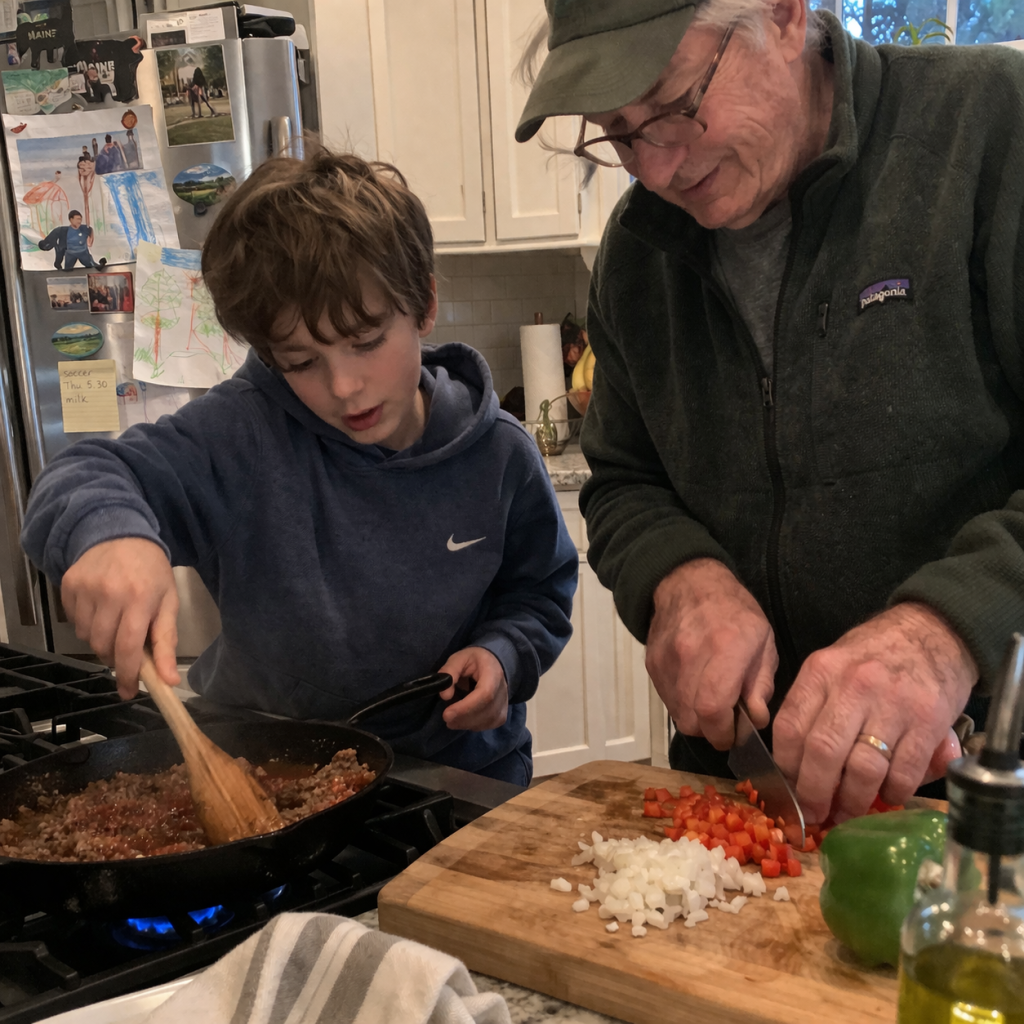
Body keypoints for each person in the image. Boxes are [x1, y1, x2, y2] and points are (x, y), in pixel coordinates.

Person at [515, 0, 1024, 822]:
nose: (652, 167)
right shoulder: (639, 253)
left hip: (993, 802)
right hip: (744, 799)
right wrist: (680, 577)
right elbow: (623, 481)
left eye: (674, 106)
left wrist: (946, 633)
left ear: (786, 15)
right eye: (615, 131)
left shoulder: (994, 127)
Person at [20, 148, 578, 786]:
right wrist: (111, 532)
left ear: (423, 306)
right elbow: (83, 473)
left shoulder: (499, 453)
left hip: (461, 772)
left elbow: (540, 593)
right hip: (267, 768)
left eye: (366, 342)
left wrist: (505, 653)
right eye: (300, 360)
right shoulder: (243, 431)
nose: (344, 387)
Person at [40, 210, 106, 270]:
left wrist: (90, 240)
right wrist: (46, 244)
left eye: (80, 219)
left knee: (91, 265)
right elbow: (54, 240)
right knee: (67, 267)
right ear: (71, 220)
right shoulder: (63, 231)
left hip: (82, 253)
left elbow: (90, 230)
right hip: (69, 253)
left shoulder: (84, 228)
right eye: (77, 219)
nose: (79, 221)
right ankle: (59, 265)